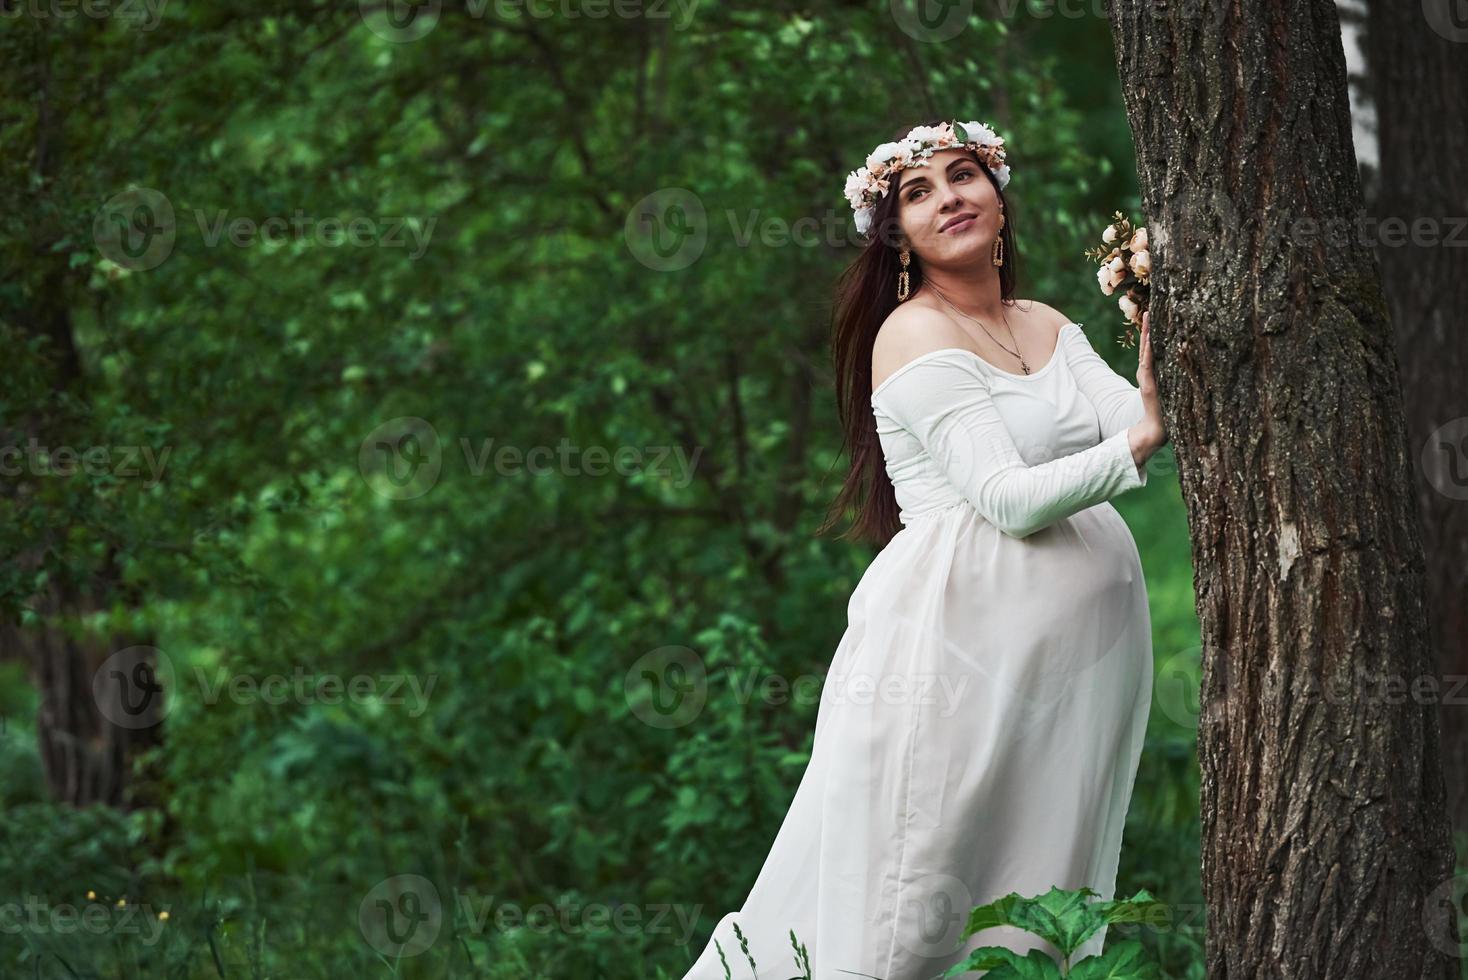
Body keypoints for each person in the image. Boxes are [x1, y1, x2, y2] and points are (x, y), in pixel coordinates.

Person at [679, 118, 1168, 980]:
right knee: (922, 879)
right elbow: (1009, 501)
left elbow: (1134, 414)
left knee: (1048, 860)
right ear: (895, 235)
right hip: (954, 653)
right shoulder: (911, 333)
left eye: (964, 174)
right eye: (919, 191)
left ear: (999, 198)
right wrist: (1142, 441)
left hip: (1078, 667)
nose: (949, 196)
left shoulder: (1046, 322)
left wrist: (1165, 334)